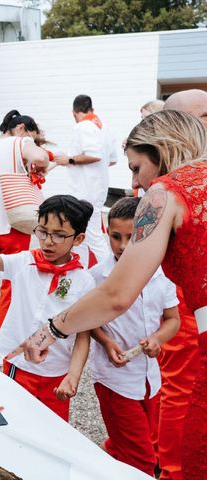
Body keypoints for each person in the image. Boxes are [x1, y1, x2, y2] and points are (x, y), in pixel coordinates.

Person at [13, 110, 207, 480]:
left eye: (136, 168)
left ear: (162, 152)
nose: (135, 183)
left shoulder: (165, 192)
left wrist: (50, 330)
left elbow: (116, 295)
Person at [0, 195, 95, 421]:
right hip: (19, 366)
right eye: (42, 231)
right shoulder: (25, 262)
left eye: (59, 235)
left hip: (56, 372)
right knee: (14, 421)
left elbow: (83, 334)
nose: (48, 241)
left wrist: (73, 374)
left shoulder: (84, 281)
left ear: (78, 239)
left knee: (54, 428)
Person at [89, 197, 179, 475]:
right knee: (141, 460)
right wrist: (105, 341)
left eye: (131, 237)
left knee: (144, 441)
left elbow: (172, 320)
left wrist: (158, 339)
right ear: (106, 232)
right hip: (114, 378)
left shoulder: (161, 273)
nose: (122, 245)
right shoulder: (97, 277)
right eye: (115, 237)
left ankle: (107, 457)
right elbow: (88, 321)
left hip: (150, 377)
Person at [150, 89, 207, 480]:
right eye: (203, 117)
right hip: (186, 298)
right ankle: (169, 467)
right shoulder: (164, 185)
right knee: (180, 385)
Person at [0, 110, 49, 352]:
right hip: (13, 223)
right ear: (22, 129)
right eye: (32, 136)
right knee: (11, 284)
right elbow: (42, 157)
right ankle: (2, 346)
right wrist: (36, 157)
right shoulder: (21, 142)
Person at [53, 94, 112, 261]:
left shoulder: (83, 126)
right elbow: (111, 159)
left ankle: (109, 273)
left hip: (85, 190)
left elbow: (95, 155)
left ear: (74, 113)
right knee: (82, 235)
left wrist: (70, 160)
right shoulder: (104, 128)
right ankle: (81, 272)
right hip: (97, 188)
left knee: (93, 237)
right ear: (91, 109)